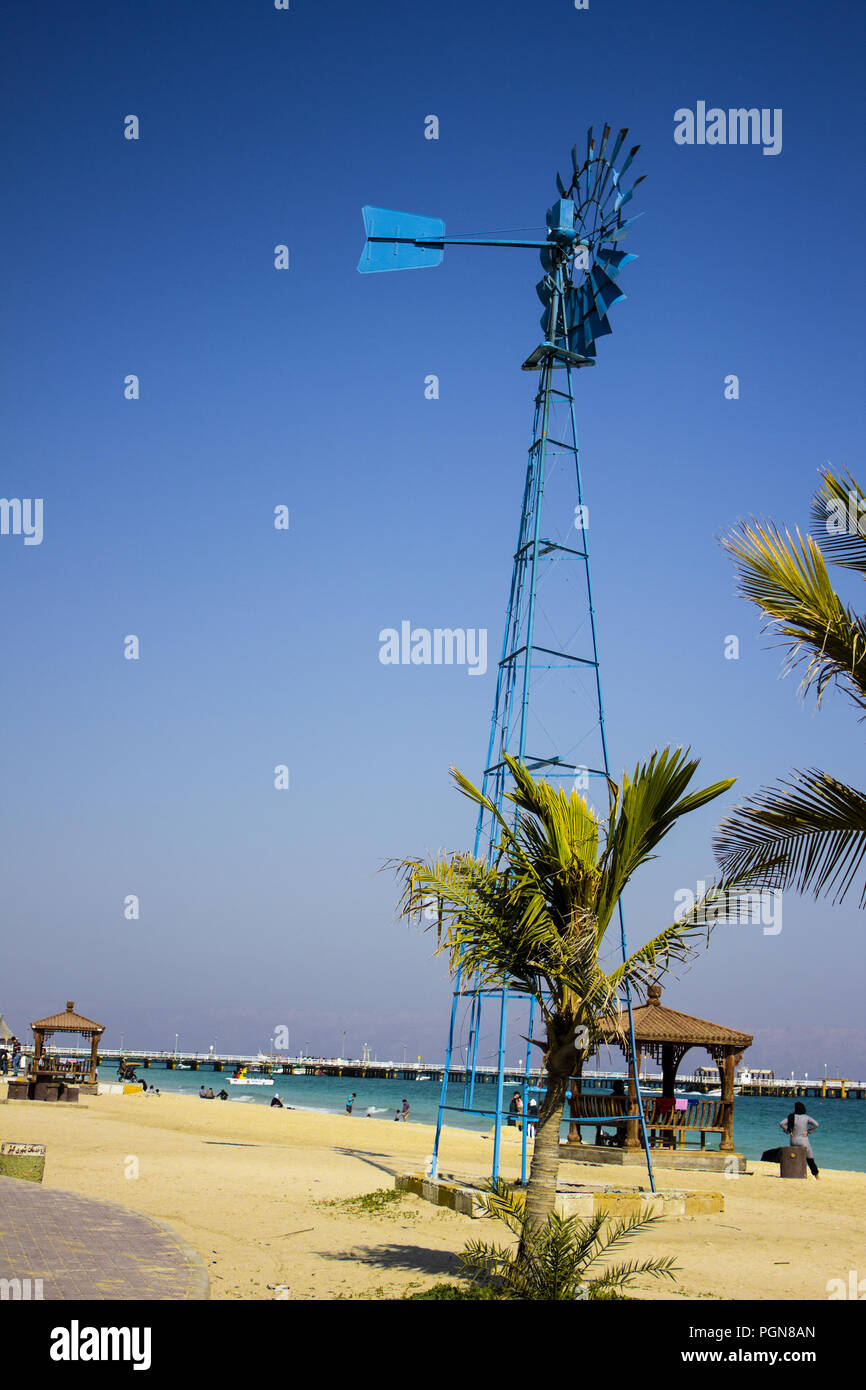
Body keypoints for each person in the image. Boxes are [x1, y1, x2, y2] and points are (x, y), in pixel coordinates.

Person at [780, 1101, 820, 1177]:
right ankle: (816, 1175)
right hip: (803, 1141)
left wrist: (788, 1131)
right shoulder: (806, 1117)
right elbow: (816, 1124)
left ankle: (793, 1173)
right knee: (810, 1159)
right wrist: (808, 1131)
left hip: (793, 1140)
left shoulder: (792, 1117)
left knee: (794, 1157)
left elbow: (781, 1123)